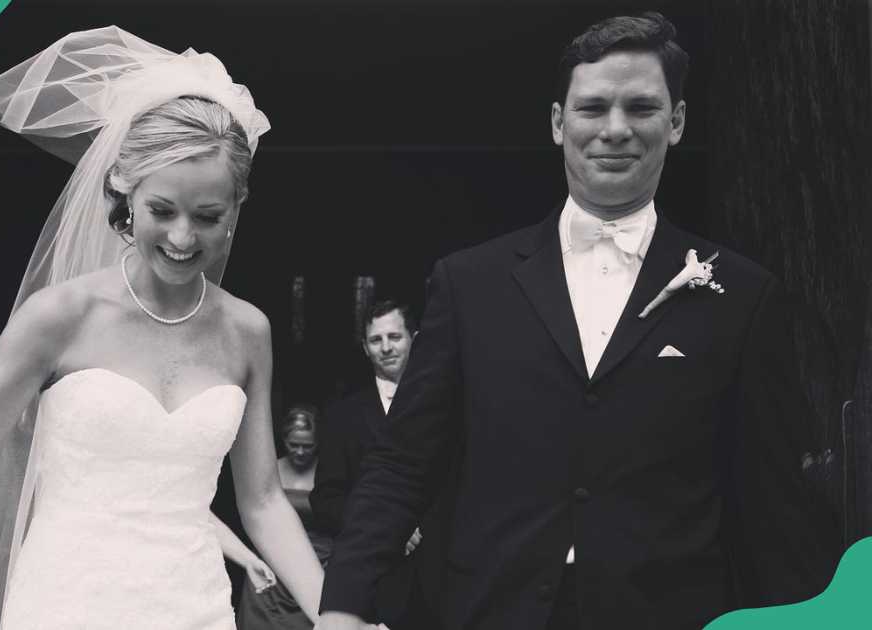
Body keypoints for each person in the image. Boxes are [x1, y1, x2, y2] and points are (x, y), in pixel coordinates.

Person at [317, 12, 840, 630]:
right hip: (489, 611)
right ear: (559, 123)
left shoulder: (744, 296)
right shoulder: (470, 284)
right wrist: (343, 607)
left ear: (675, 123)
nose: (615, 129)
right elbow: (403, 462)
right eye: (593, 108)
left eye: (641, 108)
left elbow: (771, 502)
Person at [0, 27, 325, 630]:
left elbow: (261, 502)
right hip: (66, 606)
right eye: (162, 210)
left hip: (195, 609)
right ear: (125, 195)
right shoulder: (59, 316)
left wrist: (337, 613)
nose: (184, 238)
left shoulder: (247, 331)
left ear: (235, 210)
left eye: (208, 217)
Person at [311, 300, 445, 629]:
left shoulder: (450, 406)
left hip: (444, 580)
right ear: (365, 348)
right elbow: (325, 499)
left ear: (414, 338)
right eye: (375, 340)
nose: (386, 347)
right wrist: (387, 528)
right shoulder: (343, 416)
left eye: (394, 337)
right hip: (376, 586)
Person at [238, 405, 333, 629]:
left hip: (319, 566)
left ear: (318, 442)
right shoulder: (267, 473)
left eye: (307, 445)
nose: (300, 451)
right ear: (283, 440)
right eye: (294, 444)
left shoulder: (331, 473)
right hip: (270, 567)